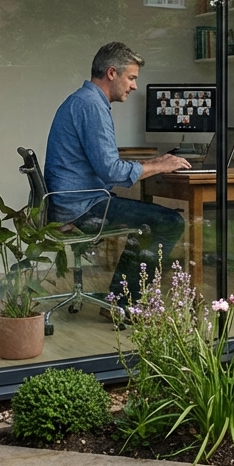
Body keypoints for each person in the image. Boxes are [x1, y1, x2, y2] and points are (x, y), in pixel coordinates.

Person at [44, 41, 192, 307]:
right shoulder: (91, 106)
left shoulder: (83, 100)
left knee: (148, 218)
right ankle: (124, 302)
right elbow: (111, 171)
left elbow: (105, 164)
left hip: (74, 202)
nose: (135, 86)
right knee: (168, 222)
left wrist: (155, 161)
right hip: (81, 208)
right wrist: (159, 165)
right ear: (112, 73)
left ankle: (121, 298)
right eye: (132, 77)